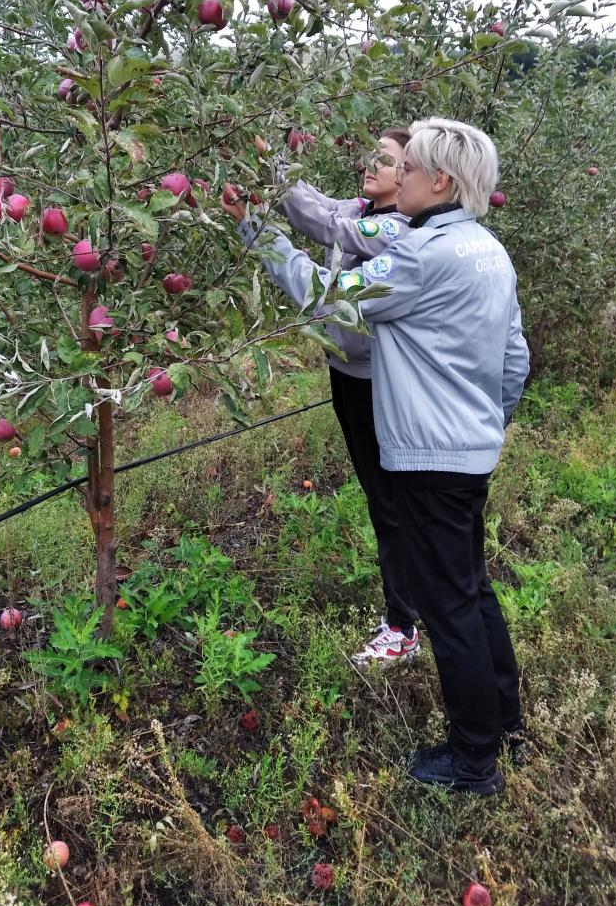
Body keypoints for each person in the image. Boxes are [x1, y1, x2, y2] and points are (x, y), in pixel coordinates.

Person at [222, 118, 529, 796]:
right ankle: (506, 729)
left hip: (428, 457)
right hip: (468, 451)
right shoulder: (487, 249)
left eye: (410, 168)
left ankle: (475, 760)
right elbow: (515, 358)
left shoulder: (420, 256)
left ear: (440, 180)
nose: (401, 178)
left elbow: (321, 297)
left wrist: (256, 229)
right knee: (471, 591)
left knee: (448, 607)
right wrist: (488, 426)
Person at [263, 129, 421, 664]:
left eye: (388, 158)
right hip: (347, 372)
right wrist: (267, 163)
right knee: (385, 497)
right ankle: (415, 603)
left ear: (411, 174)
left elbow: (324, 225)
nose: (371, 163)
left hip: (379, 385)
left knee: (390, 500)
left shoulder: (395, 230)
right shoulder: (361, 206)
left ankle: (404, 623)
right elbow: (320, 203)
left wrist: (255, 219)